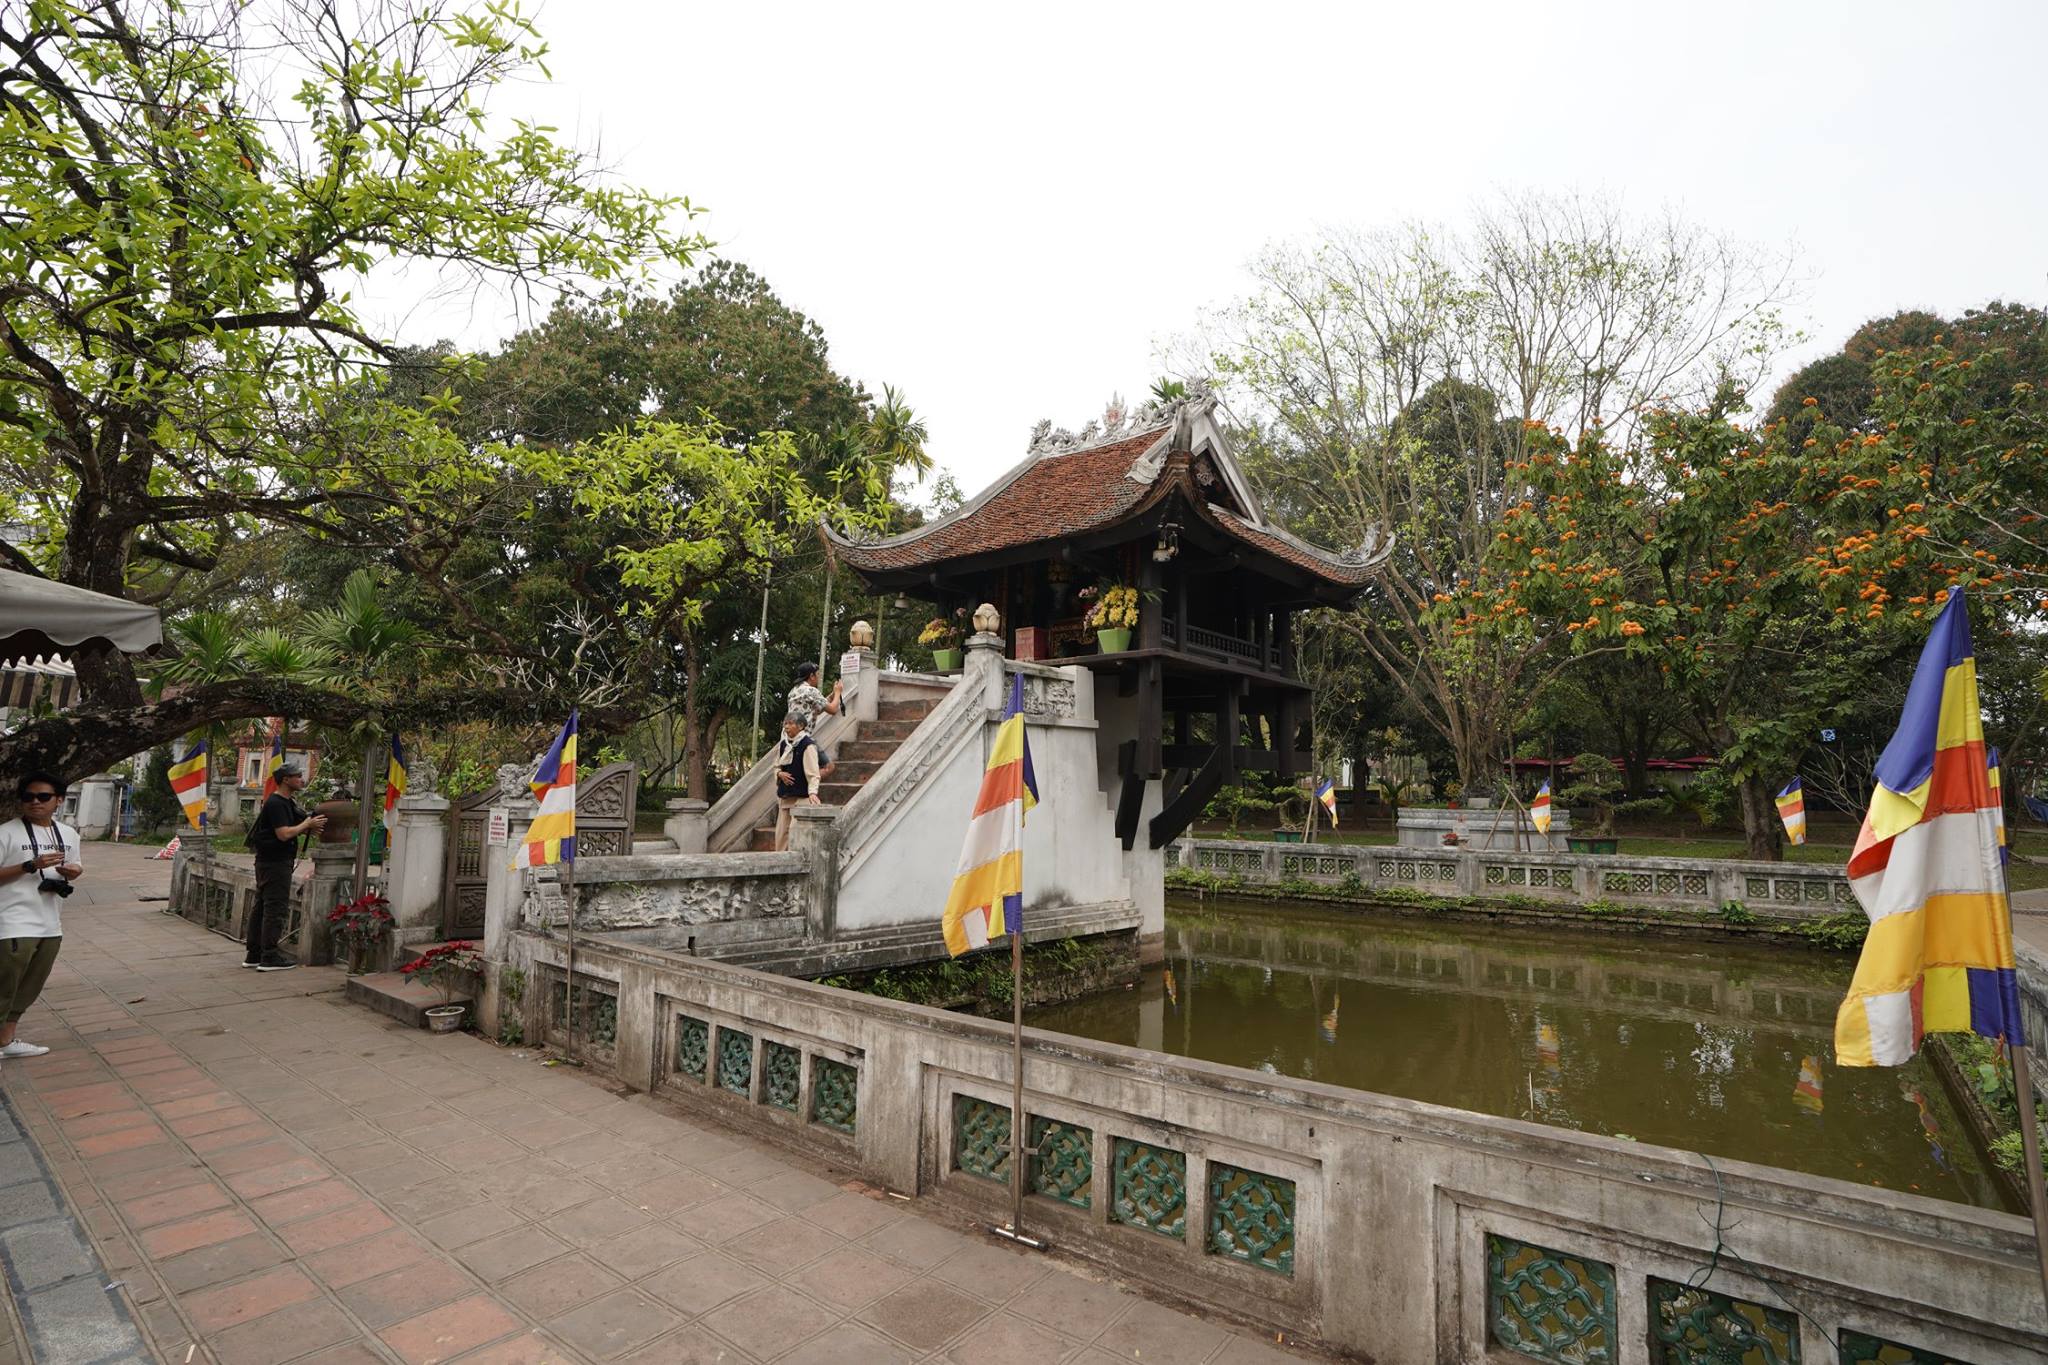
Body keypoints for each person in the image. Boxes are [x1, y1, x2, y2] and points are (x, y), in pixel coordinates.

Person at [0, 771, 83, 1068]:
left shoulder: (69, 834)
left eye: (43, 796)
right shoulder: (6, 833)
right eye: (28, 797)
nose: (35, 802)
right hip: (12, 921)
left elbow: (76, 866)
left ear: (58, 800)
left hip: (50, 922)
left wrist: (73, 872)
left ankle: (6, 1041)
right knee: (4, 985)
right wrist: (29, 865)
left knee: (29, 986)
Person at [244, 762, 325, 970]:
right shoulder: (276, 803)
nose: (301, 779)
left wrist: (308, 824)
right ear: (286, 780)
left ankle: (254, 954)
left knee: (262, 907)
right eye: (297, 776)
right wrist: (307, 825)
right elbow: (283, 834)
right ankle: (269, 956)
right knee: (275, 908)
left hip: (270, 861)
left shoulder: (286, 803)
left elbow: (295, 825)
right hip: (275, 863)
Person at [772, 711, 821, 850]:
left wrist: (813, 792)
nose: (786, 727)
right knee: (781, 835)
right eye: (785, 723)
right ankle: (780, 859)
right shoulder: (783, 745)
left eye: (790, 723)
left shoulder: (807, 745)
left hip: (802, 797)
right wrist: (780, 774)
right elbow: (776, 766)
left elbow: (813, 773)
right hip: (786, 796)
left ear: (800, 726)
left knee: (795, 832)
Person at [787, 662, 841, 778]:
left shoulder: (793, 692)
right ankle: (803, 783)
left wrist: (832, 695)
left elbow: (815, 709)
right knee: (828, 767)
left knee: (804, 769)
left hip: (790, 739)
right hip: (804, 739)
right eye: (817, 674)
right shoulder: (811, 691)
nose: (819, 677)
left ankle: (801, 782)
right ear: (811, 676)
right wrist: (838, 693)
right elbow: (833, 710)